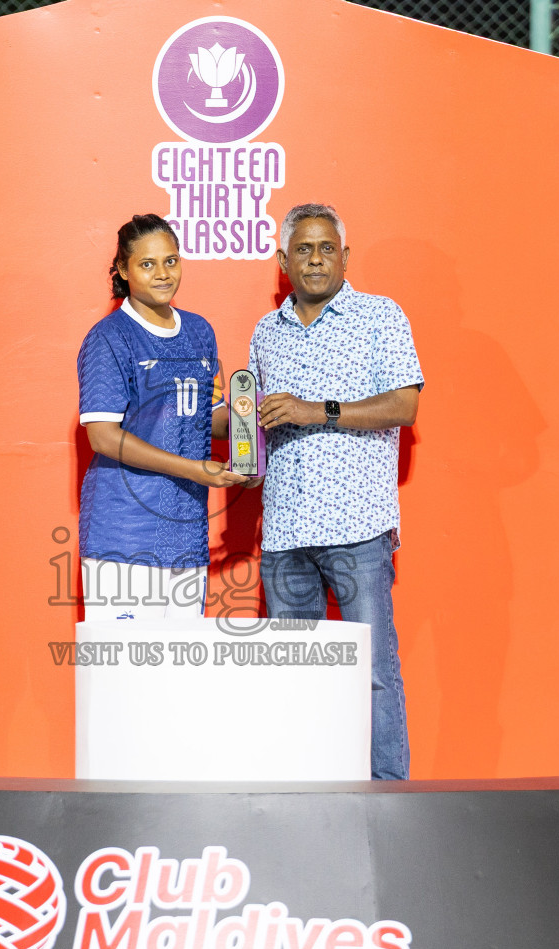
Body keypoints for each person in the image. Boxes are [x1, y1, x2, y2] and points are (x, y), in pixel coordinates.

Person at [249, 203, 424, 780]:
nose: (316, 259)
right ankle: (301, 795)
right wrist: (227, 422)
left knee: (373, 670)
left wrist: (315, 410)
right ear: (284, 261)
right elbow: (250, 421)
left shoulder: (380, 317)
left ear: (346, 257)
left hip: (358, 530)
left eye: (327, 248)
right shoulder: (264, 333)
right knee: (293, 673)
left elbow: (404, 405)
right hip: (285, 532)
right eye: (304, 249)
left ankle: (388, 799)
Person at [77, 214, 247, 619]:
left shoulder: (199, 331)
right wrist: (194, 469)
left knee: (180, 679)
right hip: (123, 537)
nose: (162, 274)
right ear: (123, 269)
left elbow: (212, 417)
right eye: (147, 264)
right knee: (123, 677)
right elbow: (102, 436)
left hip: (186, 535)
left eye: (171, 261)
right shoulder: (109, 338)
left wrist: (252, 419)